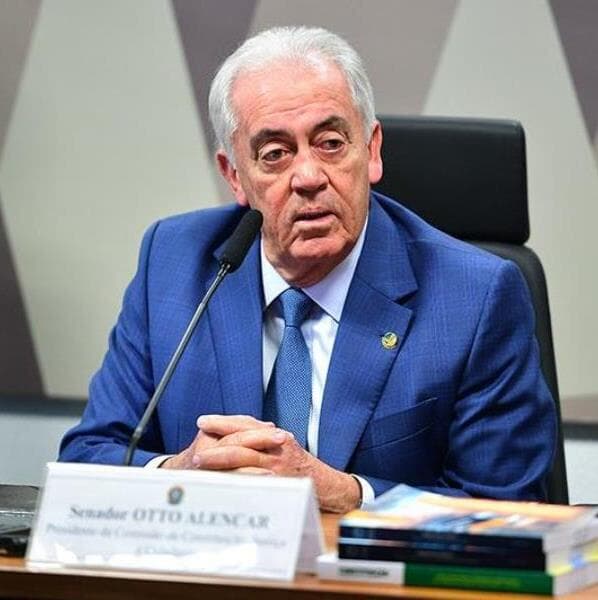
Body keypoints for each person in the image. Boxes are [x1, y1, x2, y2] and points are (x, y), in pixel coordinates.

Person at [59, 26, 556, 512]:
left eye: (331, 143)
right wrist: (179, 474)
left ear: (372, 150)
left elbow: (508, 508)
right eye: (275, 154)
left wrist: (346, 493)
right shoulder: (173, 262)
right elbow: (88, 456)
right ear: (234, 175)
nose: (309, 176)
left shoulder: (475, 297)